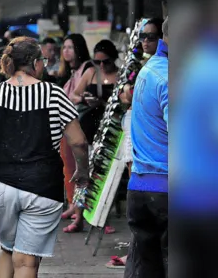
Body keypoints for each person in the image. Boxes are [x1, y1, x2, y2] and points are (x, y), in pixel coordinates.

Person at [0, 37, 89, 278]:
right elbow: (78, 141)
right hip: (43, 185)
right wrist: (82, 171)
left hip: (0, 185)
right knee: (25, 261)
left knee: (7, 249)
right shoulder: (53, 94)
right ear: (36, 63)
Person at [124, 17, 168, 278]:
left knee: (145, 266)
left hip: (141, 186)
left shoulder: (150, 69)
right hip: (167, 188)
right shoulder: (169, 77)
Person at [65, 39, 119, 233]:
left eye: (106, 62)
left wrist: (104, 104)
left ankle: (104, 218)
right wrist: (85, 100)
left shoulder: (120, 75)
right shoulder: (90, 73)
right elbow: (74, 95)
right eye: (98, 62)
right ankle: (78, 216)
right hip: (88, 126)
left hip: (110, 128)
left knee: (105, 175)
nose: (102, 66)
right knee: (84, 174)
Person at [55, 34, 92, 225]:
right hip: (67, 125)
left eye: (70, 47)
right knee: (67, 167)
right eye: (64, 47)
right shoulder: (68, 71)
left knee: (80, 168)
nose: (66, 51)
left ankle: (79, 208)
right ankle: (72, 204)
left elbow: (77, 96)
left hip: (80, 124)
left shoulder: (87, 68)